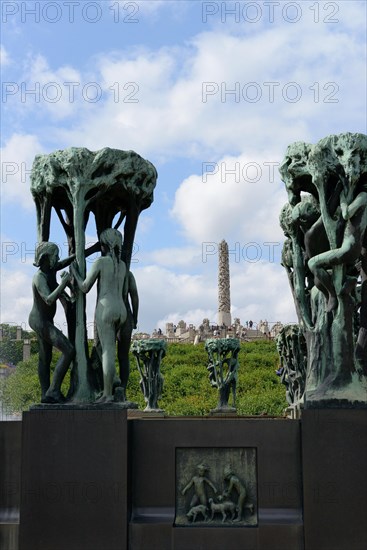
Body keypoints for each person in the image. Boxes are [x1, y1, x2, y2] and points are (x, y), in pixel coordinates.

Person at [71, 228, 128, 403]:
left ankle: (107, 394)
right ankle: (114, 382)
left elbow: (85, 286)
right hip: (121, 309)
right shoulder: (123, 265)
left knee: (107, 353)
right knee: (109, 350)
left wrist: (74, 272)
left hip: (106, 308)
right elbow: (125, 291)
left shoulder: (101, 262)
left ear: (105, 244)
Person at [29, 242, 75, 403]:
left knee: (45, 357)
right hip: (40, 321)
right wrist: (63, 284)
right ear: (46, 258)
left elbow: (64, 262)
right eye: (55, 255)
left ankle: (45, 395)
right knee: (69, 350)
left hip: (44, 320)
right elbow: (48, 299)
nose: (58, 258)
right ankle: (53, 390)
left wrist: (87, 251)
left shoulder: (50, 269)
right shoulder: (39, 277)